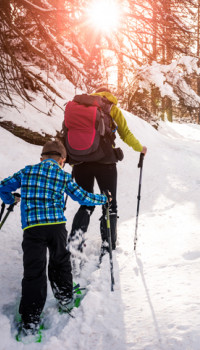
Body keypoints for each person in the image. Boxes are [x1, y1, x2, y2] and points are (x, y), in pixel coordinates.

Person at [0, 140, 108, 337]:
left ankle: (30, 323)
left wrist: (11, 199)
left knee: (34, 272)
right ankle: (65, 298)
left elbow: (3, 187)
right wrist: (103, 198)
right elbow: (83, 197)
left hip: (33, 229)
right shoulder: (62, 175)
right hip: (56, 227)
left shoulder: (27, 172)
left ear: (41, 158)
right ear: (63, 161)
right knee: (60, 262)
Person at [68, 87, 147, 258]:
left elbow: (66, 131)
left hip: (81, 161)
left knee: (86, 203)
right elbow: (126, 134)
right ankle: (108, 244)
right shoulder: (111, 108)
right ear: (108, 95)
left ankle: (75, 241)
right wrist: (140, 148)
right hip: (105, 162)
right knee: (110, 202)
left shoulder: (78, 106)